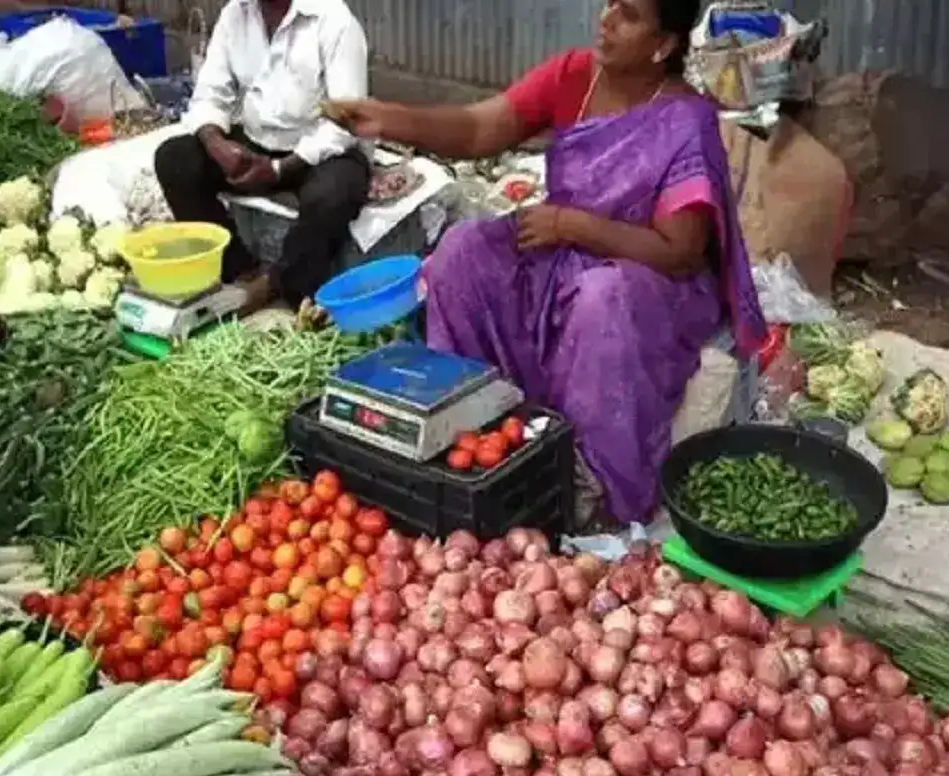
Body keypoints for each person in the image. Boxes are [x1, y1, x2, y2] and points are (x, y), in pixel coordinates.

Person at [325, 0, 766, 526]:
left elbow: (679, 252)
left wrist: (572, 226)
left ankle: (591, 483)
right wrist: (389, 118)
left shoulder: (685, 119)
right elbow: (477, 130)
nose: (606, 19)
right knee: (461, 254)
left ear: (663, 45)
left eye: (627, 15)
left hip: (647, 277)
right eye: (608, 4)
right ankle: (482, 421)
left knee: (603, 299)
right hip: (562, 256)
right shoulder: (574, 75)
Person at [154, 0, 370, 309]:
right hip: (258, 140)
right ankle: (239, 270)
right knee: (174, 159)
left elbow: (346, 121)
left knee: (334, 193)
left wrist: (280, 169)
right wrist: (217, 143)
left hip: (321, 150)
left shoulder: (334, 20)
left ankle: (278, 284)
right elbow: (209, 96)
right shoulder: (236, 14)